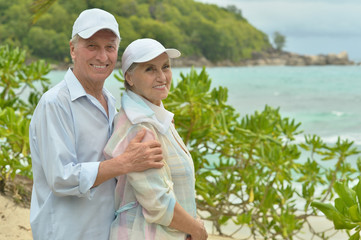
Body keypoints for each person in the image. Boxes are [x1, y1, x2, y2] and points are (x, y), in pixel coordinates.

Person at [29, 9, 164, 240]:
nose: (102, 57)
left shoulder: (112, 103)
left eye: (110, 47)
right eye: (92, 46)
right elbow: (61, 178)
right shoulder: (55, 103)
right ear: (72, 49)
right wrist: (125, 162)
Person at [103, 38, 208, 240]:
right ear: (130, 78)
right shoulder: (139, 126)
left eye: (165, 67)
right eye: (150, 69)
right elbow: (158, 203)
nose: (162, 77)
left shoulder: (158, 118)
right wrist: (196, 229)